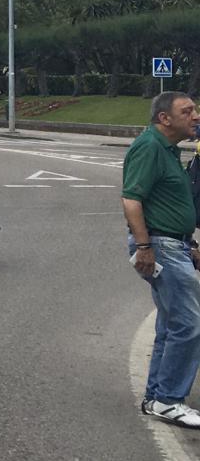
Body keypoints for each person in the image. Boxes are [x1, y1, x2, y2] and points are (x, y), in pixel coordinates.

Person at [125, 91, 200, 427]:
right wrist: (144, 246)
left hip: (173, 245)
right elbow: (132, 200)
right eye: (188, 111)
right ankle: (168, 399)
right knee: (190, 325)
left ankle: (157, 396)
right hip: (160, 246)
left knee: (172, 325)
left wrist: (190, 243)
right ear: (164, 118)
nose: (196, 116)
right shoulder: (150, 146)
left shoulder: (167, 149)